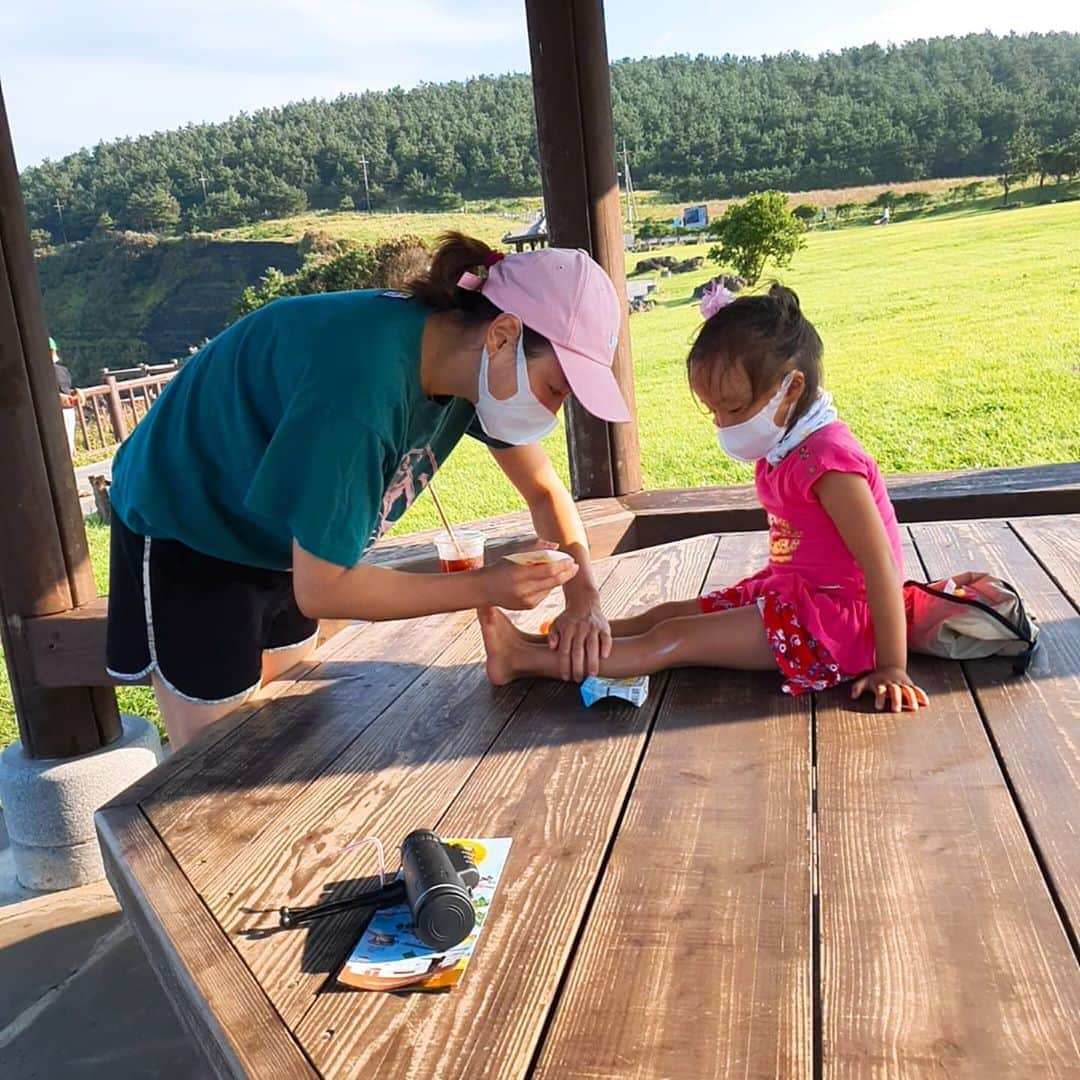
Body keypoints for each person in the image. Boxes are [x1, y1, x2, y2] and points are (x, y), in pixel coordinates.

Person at [106, 234, 631, 748]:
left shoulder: (468, 361)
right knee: (215, 760)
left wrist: (582, 597)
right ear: (502, 335)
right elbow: (326, 589)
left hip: (284, 535)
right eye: (556, 389)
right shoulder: (360, 394)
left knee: (288, 729)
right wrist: (489, 586)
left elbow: (542, 491)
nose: (552, 411)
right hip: (192, 523)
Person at [480, 284, 930, 714]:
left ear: (790, 389)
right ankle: (547, 643)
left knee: (674, 639)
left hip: (837, 628)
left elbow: (881, 568)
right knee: (663, 616)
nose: (721, 423)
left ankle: (522, 660)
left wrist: (891, 665)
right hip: (794, 598)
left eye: (732, 409)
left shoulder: (829, 463)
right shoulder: (785, 445)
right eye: (713, 410)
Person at [50, 336, 80, 454]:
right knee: (66, 443)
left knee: (63, 445)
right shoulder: (62, 369)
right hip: (67, 409)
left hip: (60, 410)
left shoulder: (53, 370)